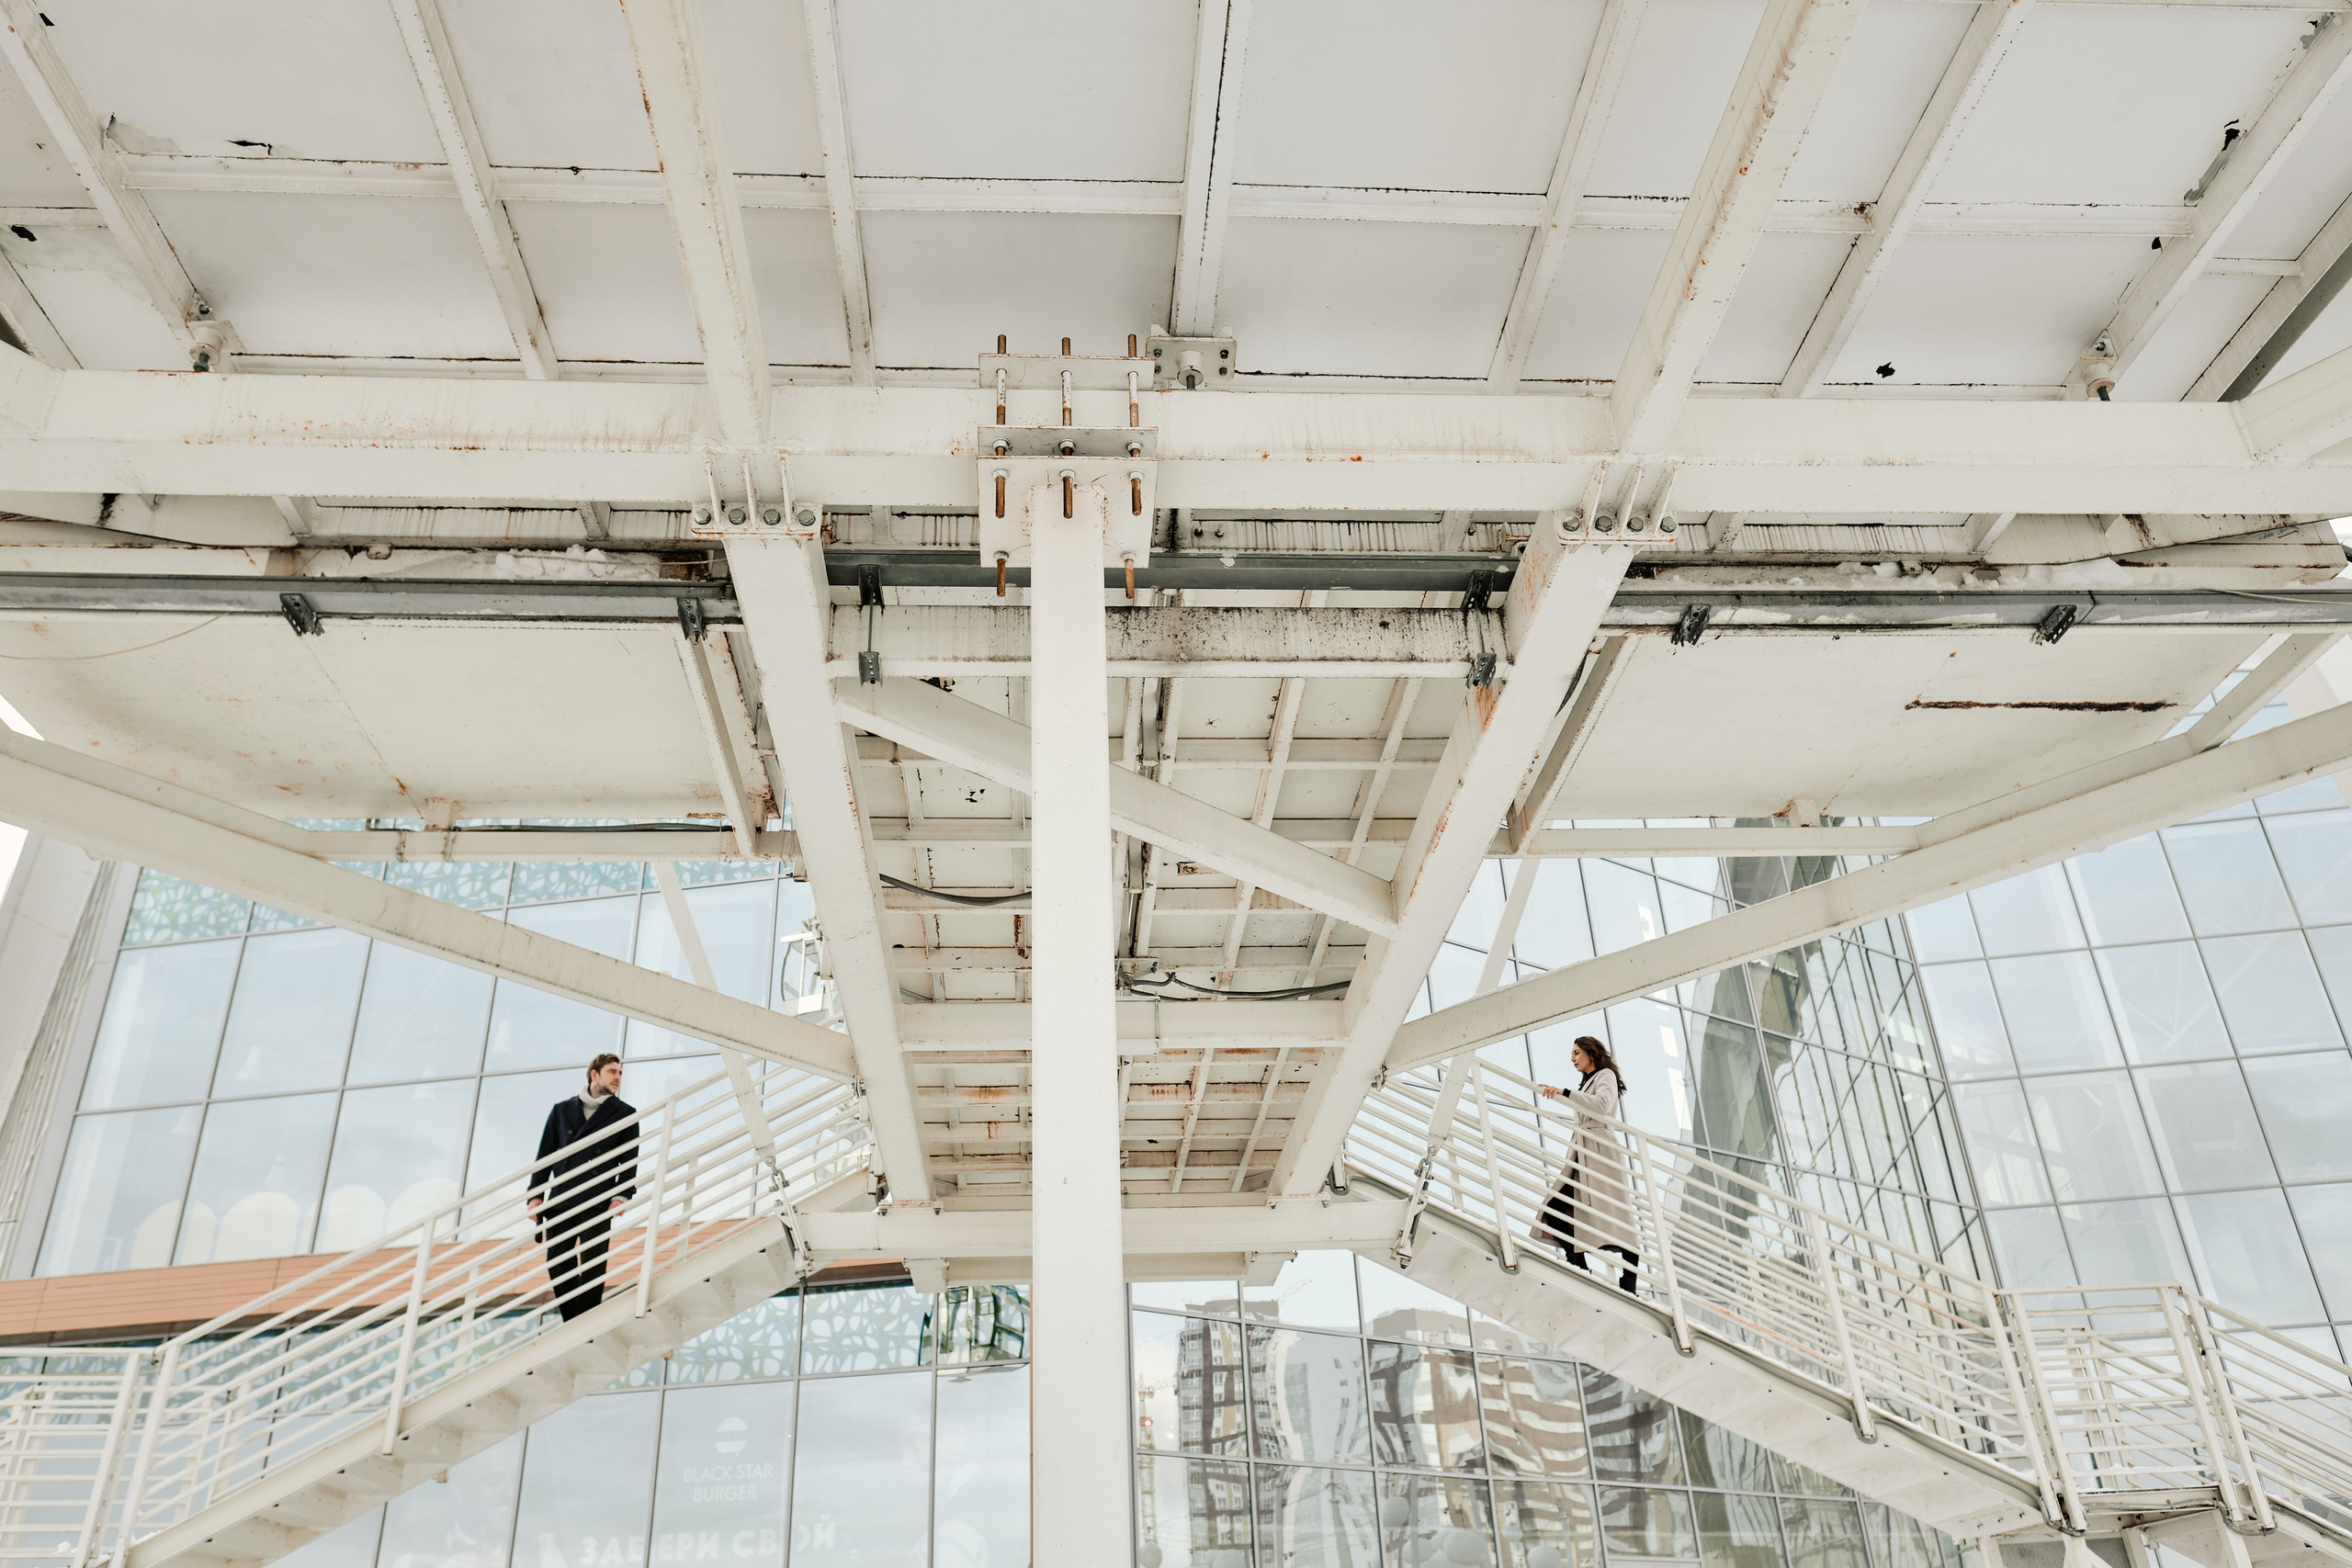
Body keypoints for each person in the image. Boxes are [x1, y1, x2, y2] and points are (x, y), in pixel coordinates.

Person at [530, 1054, 639, 1321]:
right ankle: (575, 1322)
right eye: (612, 1071)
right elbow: (545, 1155)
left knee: (593, 1263)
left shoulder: (625, 1113)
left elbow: (629, 1160)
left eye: (620, 1073)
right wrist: (536, 1195)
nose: (617, 1077)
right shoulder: (561, 1110)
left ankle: (584, 1322)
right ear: (594, 1074)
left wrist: (622, 1195)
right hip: (562, 1198)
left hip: (597, 1199)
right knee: (558, 1263)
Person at [1533, 1036, 1641, 1293]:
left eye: (1577, 1053)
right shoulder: (1588, 1081)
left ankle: (1629, 1278)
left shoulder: (1606, 1075)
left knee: (1617, 1214)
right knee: (1556, 1208)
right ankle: (1578, 1264)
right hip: (1583, 1151)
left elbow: (1602, 1105)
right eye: (1572, 1054)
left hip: (1600, 1152)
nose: (1572, 1058)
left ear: (1591, 1053)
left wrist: (1565, 1093)